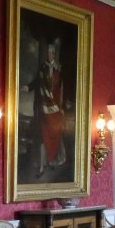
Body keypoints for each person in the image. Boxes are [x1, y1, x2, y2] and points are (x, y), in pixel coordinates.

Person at [37, 41, 67, 174]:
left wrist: (62, 106)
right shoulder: (43, 68)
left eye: (52, 53)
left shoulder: (59, 69)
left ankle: (51, 161)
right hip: (45, 109)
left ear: (54, 55)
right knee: (44, 137)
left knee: (55, 137)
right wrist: (28, 87)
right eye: (48, 53)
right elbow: (37, 82)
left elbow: (62, 89)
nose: (50, 55)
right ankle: (42, 166)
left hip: (56, 109)